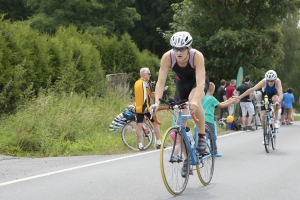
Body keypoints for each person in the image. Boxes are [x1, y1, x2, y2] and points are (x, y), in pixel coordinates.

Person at [150, 31, 207, 177]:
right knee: (180, 123)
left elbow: (200, 82)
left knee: (193, 100)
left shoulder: (197, 56)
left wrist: (194, 100)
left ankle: (202, 136)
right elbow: (161, 82)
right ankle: (188, 158)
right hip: (181, 84)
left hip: (197, 83)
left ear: (189, 48)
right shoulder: (167, 57)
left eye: (182, 48)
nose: (178, 52)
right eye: (176, 48)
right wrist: (156, 102)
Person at [202, 82, 238, 157]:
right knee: (212, 137)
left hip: (201, 119)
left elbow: (219, 103)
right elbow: (221, 105)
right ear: (213, 90)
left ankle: (201, 151)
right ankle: (214, 152)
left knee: (202, 135)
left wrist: (230, 100)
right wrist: (232, 102)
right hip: (209, 120)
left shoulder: (203, 97)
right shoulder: (211, 98)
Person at [134, 67, 161, 151]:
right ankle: (159, 143)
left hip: (138, 108)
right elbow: (152, 95)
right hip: (147, 108)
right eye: (149, 74)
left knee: (139, 126)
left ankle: (140, 145)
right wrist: (159, 93)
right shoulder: (146, 83)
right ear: (144, 75)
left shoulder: (136, 83)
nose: (150, 75)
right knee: (155, 123)